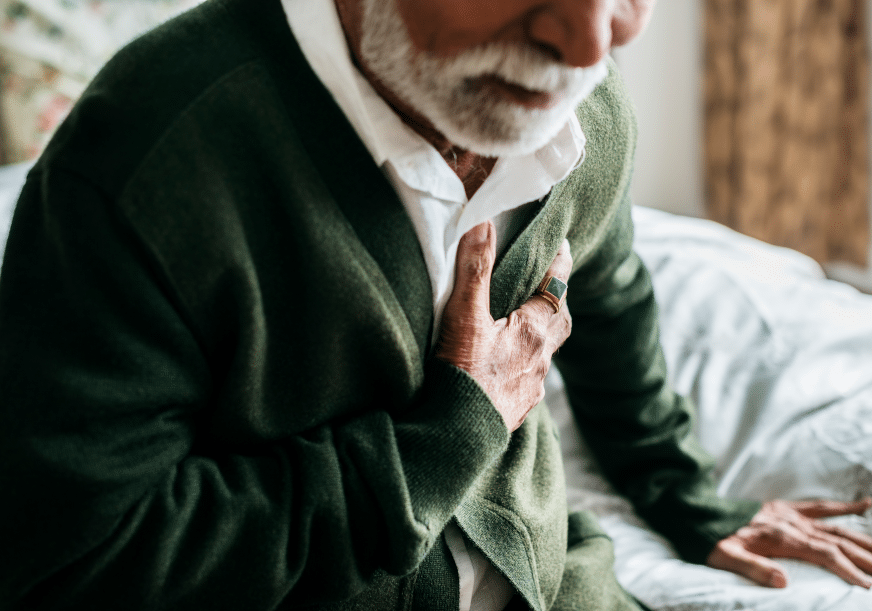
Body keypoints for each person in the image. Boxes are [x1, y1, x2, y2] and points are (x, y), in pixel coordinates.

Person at [1, 0, 871, 609]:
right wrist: (444, 442)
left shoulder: (592, 116)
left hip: (556, 581)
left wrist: (691, 501)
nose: (586, 42)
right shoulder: (141, 160)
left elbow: (611, 301)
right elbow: (76, 564)